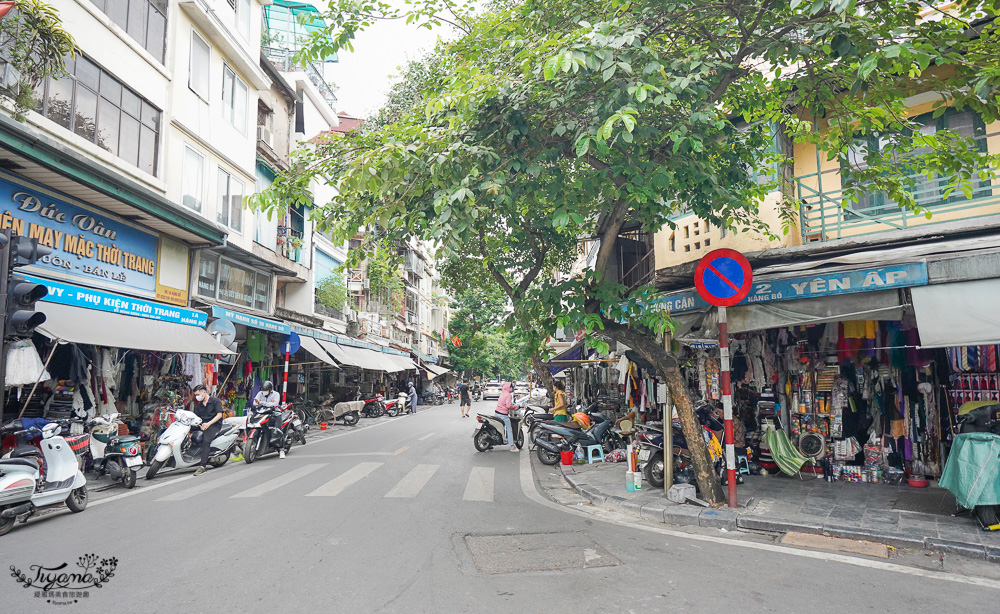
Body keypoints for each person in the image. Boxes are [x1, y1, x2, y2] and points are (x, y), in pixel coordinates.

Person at [191, 385, 224, 476]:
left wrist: (208, 424)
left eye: (198, 394)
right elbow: (196, 418)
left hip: (214, 425)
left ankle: (202, 466)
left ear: (204, 393)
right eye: (195, 395)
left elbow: (219, 415)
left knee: (206, 441)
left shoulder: (215, 401)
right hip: (202, 424)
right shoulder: (199, 406)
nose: (196, 397)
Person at [253, 380, 287, 458]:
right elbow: (254, 403)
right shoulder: (260, 393)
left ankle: (281, 450)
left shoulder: (276, 394)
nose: (264, 392)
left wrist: (261, 403)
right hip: (263, 414)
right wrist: (263, 403)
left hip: (275, 414)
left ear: (270, 389)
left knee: (278, 431)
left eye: (266, 390)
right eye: (263, 390)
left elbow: (274, 404)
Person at [495, 381, 518, 452]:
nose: (512, 388)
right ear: (509, 387)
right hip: (503, 415)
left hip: (496, 413)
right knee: (509, 429)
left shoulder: (502, 393)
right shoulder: (508, 395)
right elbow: (508, 406)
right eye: (511, 387)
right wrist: (515, 407)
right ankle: (512, 446)